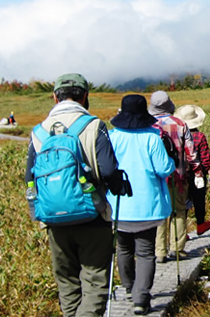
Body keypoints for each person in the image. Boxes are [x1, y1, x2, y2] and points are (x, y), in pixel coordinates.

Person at [24, 73, 127, 317]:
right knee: (94, 279)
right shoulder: (94, 126)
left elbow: (29, 177)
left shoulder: (38, 132)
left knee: (67, 281)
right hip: (92, 215)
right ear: (85, 97)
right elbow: (109, 170)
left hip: (53, 219)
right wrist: (117, 186)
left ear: (54, 97)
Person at [107, 95, 175, 315]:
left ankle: (129, 288)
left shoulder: (112, 137)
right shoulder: (153, 137)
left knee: (123, 248)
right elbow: (164, 169)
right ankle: (141, 298)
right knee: (146, 253)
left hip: (118, 204)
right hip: (148, 205)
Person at [149, 91, 197, 263]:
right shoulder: (180, 124)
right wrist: (197, 171)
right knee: (178, 212)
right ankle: (177, 249)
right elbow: (191, 152)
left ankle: (159, 251)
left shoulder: (149, 125)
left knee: (160, 213)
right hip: (179, 176)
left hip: (156, 178)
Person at [174, 104, 210, 236]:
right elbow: (205, 158)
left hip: (181, 173)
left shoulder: (177, 135)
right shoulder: (199, 136)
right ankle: (200, 224)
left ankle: (181, 231)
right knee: (199, 199)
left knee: (182, 202)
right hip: (198, 174)